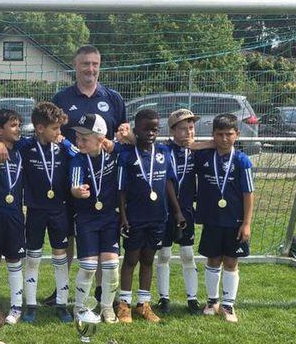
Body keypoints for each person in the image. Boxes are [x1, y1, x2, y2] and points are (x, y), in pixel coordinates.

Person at [50, 44, 127, 307]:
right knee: (69, 235)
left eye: (95, 64)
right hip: (68, 174)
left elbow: (122, 134)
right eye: (85, 64)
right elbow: (50, 131)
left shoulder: (113, 98)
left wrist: (121, 139)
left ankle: (100, 292)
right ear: (75, 65)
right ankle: (62, 290)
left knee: (101, 236)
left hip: (103, 179)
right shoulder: (61, 98)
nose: (90, 69)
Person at [0, 102, 77, 323]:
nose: (59, 132)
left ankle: (62, 304)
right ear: (40, 128)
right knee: (33, 257)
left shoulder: (63, 147)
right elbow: (1, 141)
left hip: (59, 210)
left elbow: (81, 154)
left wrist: (66, 141)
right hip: (35, 211)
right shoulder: (25, 146)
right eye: (55, 128)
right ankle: (30, 304)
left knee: (60, 256)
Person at [117, 109, 185, 323]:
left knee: (148, 259)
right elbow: (121, 189)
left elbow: (168, 183)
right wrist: (123, 216)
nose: (150, 133)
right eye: (146, 129)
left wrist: (177, 211)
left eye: (154, 129)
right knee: (131, 259)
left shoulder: (164, 152)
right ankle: (124, 304)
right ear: (135, 129)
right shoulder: (126, 155)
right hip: (135, 217)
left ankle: (143, 304)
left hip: (158, 217)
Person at [193, 113, 255, 323]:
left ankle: (228, 305)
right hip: (212, 219)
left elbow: (248, 194)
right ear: (213, 135)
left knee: (230, 260)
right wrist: (208, 144)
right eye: (219, 135)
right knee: (213, 259)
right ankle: (212, 302)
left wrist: (246, 223)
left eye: (229, 134)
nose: (224, 139)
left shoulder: (242, 161)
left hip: (235, 221)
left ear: (237, 134)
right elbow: (188, 146)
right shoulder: (205, 157)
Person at [68, 113, 123, 323]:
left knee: (112, 266)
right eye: (77, 137)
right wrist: (77, 191)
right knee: (89, 266)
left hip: (110, 217)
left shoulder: (114, 154)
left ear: (101, 139)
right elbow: (74, 184)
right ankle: (80, 307)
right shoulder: (78, 159)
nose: (79, 142)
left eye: (84, 138)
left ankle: (107, 307)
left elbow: (131, 146)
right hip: (86, 218)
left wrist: (121, 140)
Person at [156, 109, 202, 315]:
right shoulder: (164, 151)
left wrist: (197, 145)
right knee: (164, 254)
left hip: (187, 210)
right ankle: (164, 298)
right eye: (183, 129)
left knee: (188, 254)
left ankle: (192, 299)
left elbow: (216, 145)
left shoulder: (196, 151)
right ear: (172, 131)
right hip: (165, 211)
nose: (188, 132)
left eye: (191, 128)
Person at [0, 109, 27, 324]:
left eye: (19, 125)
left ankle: (16, 306)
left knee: (14, 259)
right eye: (13, 125)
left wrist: (1, 142)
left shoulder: (21, 148)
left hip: (15, 215)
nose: (18, 129)